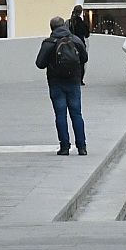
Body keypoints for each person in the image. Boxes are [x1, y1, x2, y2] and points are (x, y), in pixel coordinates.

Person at [36, 15, 89, 157]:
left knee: (60, 114)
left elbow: (40, 63)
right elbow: (84, 58)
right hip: (73, 81)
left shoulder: (49, 43)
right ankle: (82, 147)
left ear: (51, 28)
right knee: (76, 114)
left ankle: (64, 147)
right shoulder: (76, 40)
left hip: (56, 83)